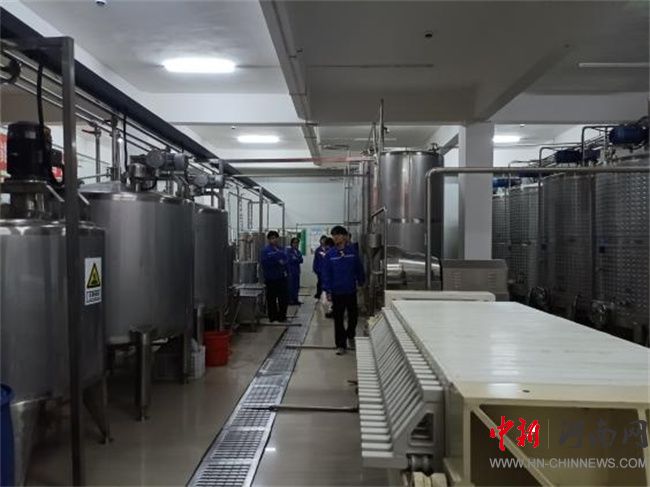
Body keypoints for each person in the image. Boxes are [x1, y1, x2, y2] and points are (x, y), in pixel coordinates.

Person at [322, 226, 365, 355]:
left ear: (345, 236)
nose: (336, 237)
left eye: (338, 235)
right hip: (337, 291)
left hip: (350, 290)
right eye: (334, 235)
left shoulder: (352, 252)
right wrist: (328, 290)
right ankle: (341, 345)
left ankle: (350, 334)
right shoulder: (330, 254)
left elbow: (359, 269)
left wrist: (361, 283)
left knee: (353, 317)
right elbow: (326, 274)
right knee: (338, 319)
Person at [260, 230, 289, 322]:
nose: (274, 240)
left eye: (276, 238)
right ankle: (272, 317)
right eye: (272, 238)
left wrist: (279, 261)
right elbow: (265, 263)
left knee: (283, 298)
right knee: (271, 299)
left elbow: (285, 260)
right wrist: (277, 261)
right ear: (268, 240)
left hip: (281, 277)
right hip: (270, 278)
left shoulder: (282, 249)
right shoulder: (265, 250)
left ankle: (282, 316)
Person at [286, 237, 303, 305]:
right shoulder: (288, 251)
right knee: (291, 286)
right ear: (291, 243)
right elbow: (289, 260)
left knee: (296, 286)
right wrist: (296, 259)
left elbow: (301, 260)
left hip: (297, 271)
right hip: (290, 271)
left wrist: (296, 259)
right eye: (295, 243)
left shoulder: (298, 251)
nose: (296, 244)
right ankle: (290, 300)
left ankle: (295, 299)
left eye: (297, 243)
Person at [312, 235, 328, 299]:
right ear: (320, 241)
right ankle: (319, 294)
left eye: (325, 240)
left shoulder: (329, 249)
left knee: (326, 282)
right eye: (322, 240)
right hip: (320, 269)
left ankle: (326, 294)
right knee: (320, 282)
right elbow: (315, 260)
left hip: (327, 269)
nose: (323, 241)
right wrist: (314, 268)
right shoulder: (318, 250)